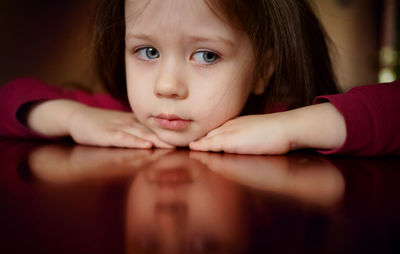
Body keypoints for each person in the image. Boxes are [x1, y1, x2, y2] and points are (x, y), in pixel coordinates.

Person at [0, 0, 399, 155]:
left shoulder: (282, 124)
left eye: (206, 55)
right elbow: (8, 99)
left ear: (262, 70)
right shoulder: (116, 119)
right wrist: (72, 117)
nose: (167, 86)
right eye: (148, 52)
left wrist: (295, 127)